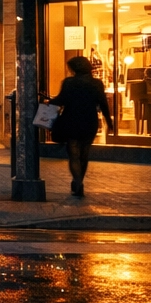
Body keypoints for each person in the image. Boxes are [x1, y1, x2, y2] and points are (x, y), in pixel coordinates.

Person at [51, 55, 114, 198]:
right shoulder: (96, 83)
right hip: (89, 120)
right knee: (84, 154)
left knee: (73, 154)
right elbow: (103, 103)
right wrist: (109, 121)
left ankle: (78, 182)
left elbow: (61, 100)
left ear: (74, 68)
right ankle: (79, 182)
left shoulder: (69, 82)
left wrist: (48, 102)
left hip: (71, 119)